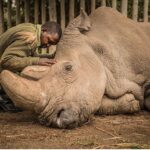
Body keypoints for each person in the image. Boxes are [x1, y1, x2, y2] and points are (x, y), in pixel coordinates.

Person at [0, 21, 62, 112]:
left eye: (52, 44)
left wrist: (45, 58)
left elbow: (24, 54)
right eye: (49, 40)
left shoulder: (32, 29)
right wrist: (36, 61)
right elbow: (6, 61)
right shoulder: (30, 38)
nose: (48, 45)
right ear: (44, 30)